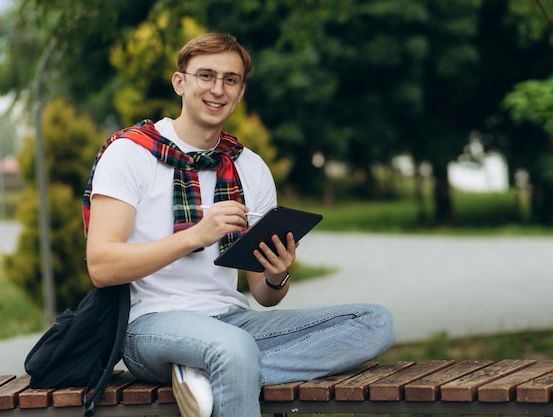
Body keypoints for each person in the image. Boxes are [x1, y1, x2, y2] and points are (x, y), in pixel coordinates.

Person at [83, 32, 395, 417]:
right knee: (233, 349)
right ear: (180, 82)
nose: (218, 89)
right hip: (149, 326)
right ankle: (226, 368)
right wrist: (196, 236)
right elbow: (101, 266)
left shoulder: (250, 168)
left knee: (373, 323)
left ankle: (209, 378)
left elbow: (262, 294)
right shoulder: (131, 152)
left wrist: (278, 275)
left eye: (230, 80)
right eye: (206, 76)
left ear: (241, 91)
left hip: (232, 320)